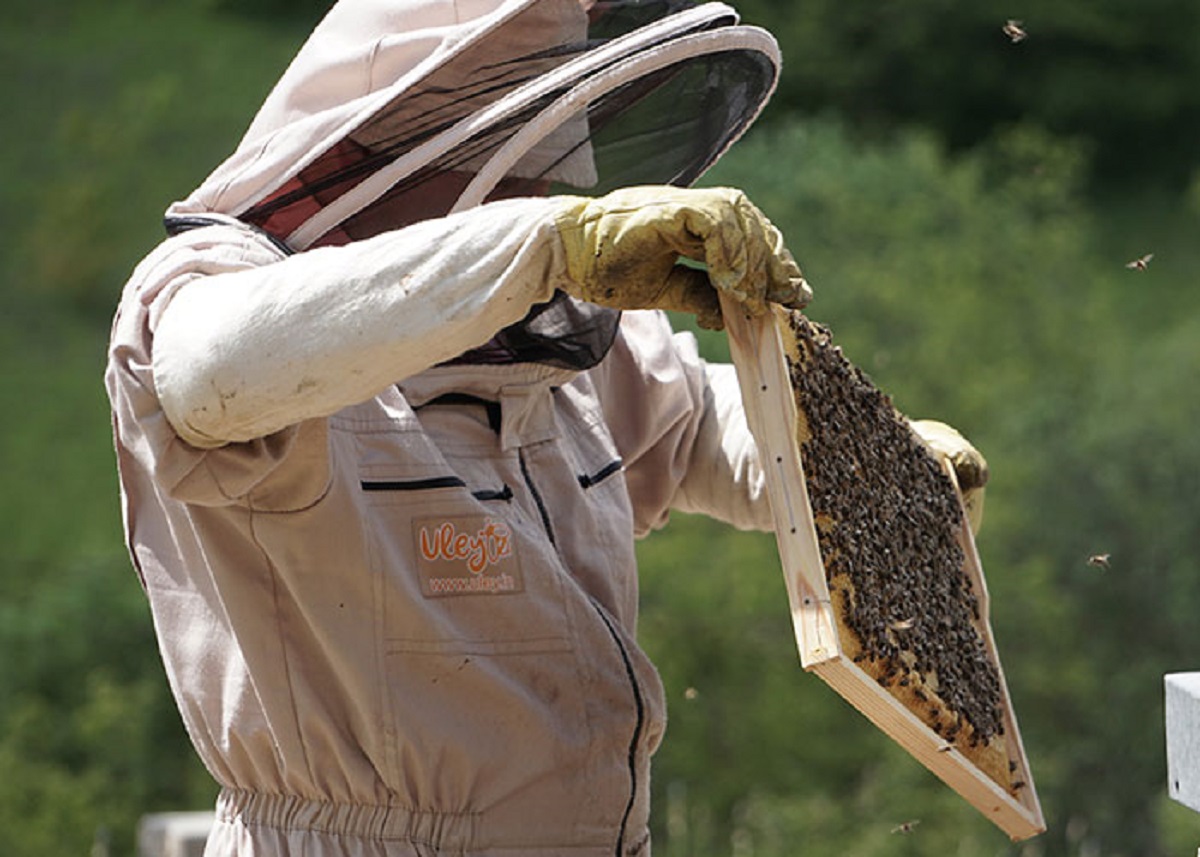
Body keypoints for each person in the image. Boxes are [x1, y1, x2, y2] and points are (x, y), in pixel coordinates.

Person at [105, 1, 985, 854]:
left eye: (562, 158)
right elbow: (204, 373)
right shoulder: (210, 291)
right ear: (394, 140)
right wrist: (544, 246)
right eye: (522, 154)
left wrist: (874, 472)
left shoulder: (553, 351)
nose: (554, 185)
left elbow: (702, 430)